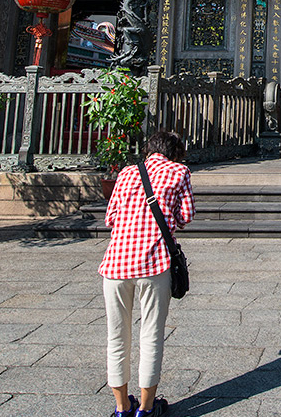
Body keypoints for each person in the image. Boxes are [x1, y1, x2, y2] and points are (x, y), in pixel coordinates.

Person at [99, 130, 195, 417]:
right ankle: (146, 407)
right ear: (175, 151)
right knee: (151, 334)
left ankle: (121, 407)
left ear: (149, 149)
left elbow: (111, 218)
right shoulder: (179, 172)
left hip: (115, 265)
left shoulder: (127, 173)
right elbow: (186, 216)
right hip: (154, 263)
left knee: (116, 336)